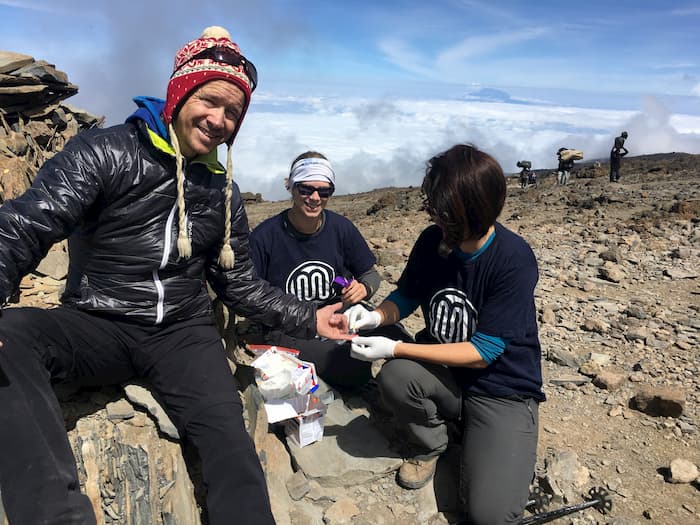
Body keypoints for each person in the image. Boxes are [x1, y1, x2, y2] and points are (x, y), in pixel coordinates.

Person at [0, 27, 349, 525]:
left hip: (182, 335)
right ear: (180, 92)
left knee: (229, 440)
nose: (219, 120)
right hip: (98, 321)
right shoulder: (106, 151)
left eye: (233, 113)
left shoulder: (223, 192)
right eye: (210, 101)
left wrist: (310, 319)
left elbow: (239, 282)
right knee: (9, 336)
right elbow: (28, 222)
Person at [345, 144, 544, 524]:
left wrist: (397, 346)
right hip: (446, 376)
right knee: (397, 376)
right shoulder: (432, 241)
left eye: (442, 210)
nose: (433, 216)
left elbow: (483, 351)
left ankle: (490, 440)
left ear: (471, 212)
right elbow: (408, 294)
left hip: (501, 390)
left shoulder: (512, 259)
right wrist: (374, 316)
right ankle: (434, 443)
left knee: (490, 516)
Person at [249, 151, 405, 389]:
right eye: (305, 189)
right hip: (291, 326)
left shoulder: (341, 228)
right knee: (346, 363)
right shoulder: (264, 237)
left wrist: (364, 288)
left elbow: (370, 274)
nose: (314, 198)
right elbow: (251, 297)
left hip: (340, 316)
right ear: (290, 187)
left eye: (324, 191)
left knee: (398, 336)